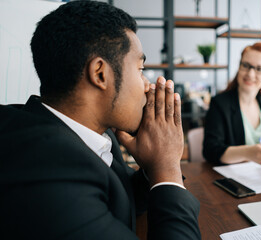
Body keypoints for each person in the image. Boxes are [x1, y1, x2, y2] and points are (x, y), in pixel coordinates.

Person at [0, 1, 200, 239]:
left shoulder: (89, 133)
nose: (147, 86)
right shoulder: (49, 167)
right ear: (100, 74)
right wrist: (168, 167)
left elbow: (115, 198)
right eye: (140, 69)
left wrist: (153, 166)